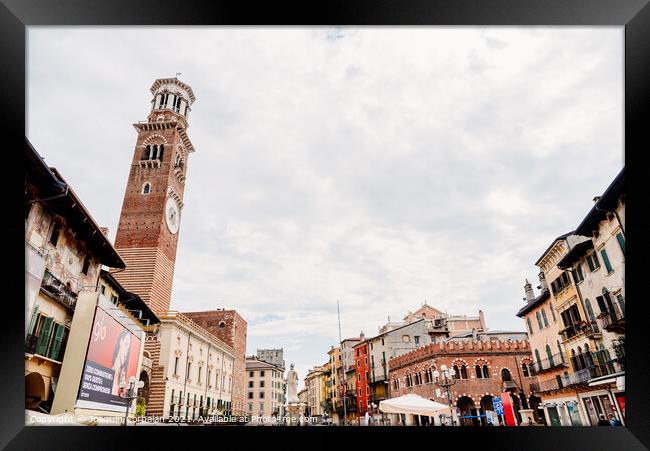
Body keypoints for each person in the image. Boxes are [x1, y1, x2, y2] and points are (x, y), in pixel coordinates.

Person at [111, 329, 133, 396]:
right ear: (121, 341)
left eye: (128, 348)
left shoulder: (123, 378)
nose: (126, 352)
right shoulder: (109, 372)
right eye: (126, 344)